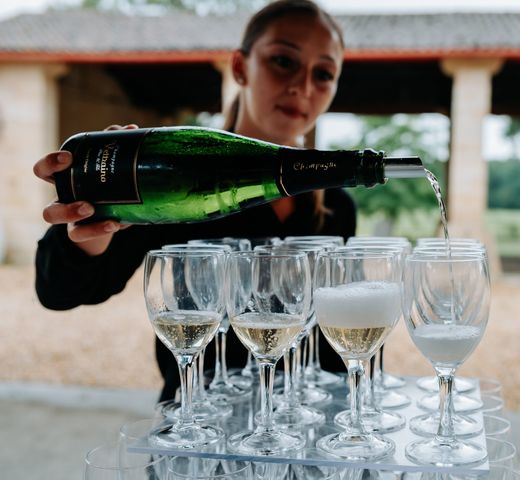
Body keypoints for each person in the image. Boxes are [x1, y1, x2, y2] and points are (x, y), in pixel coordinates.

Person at [33, 0, 355, 402]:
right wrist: (93, 220)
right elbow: (59, 292)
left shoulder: (337, 208)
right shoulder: (173, 181)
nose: (302, 86)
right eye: (283, 61)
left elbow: (330, 346)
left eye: (323, 74)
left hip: (300, 432)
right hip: (196, 431)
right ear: (240, 67)